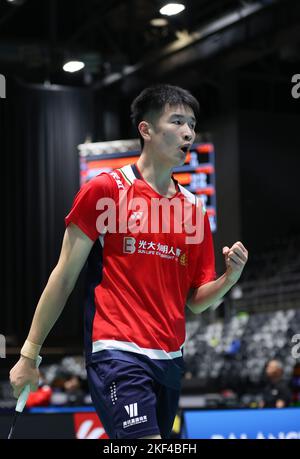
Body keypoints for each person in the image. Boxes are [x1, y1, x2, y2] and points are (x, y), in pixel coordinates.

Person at [9, 84, 248, 439]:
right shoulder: (105, 190)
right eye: (177, 121)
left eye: (192, 125)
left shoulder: (194, 210)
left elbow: (196, 302)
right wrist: (30, 355)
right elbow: (63, 277)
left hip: (169, 359)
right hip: (117, 352)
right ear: (146, 130)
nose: (188, 132)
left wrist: (229, 278)